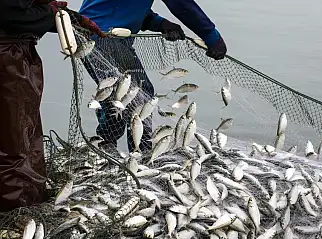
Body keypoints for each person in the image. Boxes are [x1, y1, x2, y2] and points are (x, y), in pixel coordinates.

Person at [79, 0, 227, 153]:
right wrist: (211, 35)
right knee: (138, 96)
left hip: (95, 34)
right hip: (103, 37)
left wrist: (158, 23)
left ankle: (106, 149)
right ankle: (140, 156)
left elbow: (121, 6)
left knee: (120, 97)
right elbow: (181, 4)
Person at [0, 0, 105, 212]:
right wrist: (50, 13)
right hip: (6, 58)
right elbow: (9, 14)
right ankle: (15, 211)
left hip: (17, 52)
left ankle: (28, 198)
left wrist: (71, 18)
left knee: (25, 133)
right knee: (13, 140)